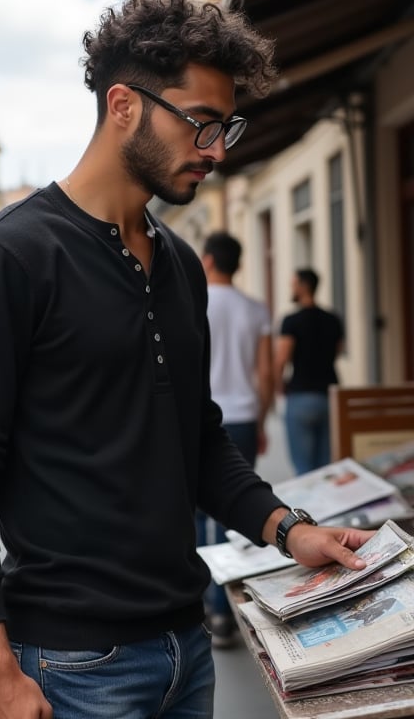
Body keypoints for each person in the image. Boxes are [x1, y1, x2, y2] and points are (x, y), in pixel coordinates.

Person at [0, 0, 372, 719]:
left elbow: (198, 441)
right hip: (69, 665)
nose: (217, 151)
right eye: (201, 124)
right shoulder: (7, 257)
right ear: (123, 105)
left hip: (186, 649)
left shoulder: (180, 263)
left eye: (227, 128)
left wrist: (293, 530)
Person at [197, 230, 273, 647]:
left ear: (207, 260)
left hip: (198, 418)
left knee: (192, 515)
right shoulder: (255, 309)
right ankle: (227, 614)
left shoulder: (193, 300)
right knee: (237, 513)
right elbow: (265, 374)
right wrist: (261, 421)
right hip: (242, 417)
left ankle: (202, 609)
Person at [275, 268, 345, 475]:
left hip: (301, 395)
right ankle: (326, 508)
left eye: (294, 284)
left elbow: (281, 358)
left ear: (304, 286)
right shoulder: (333, 319)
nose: (292, 288)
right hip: (329, 395)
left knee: (303, 468)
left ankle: (308, 509)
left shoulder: (291, 321)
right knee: (326, 467)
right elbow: (339, 349)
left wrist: (280, 387)